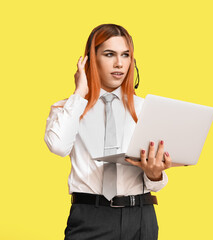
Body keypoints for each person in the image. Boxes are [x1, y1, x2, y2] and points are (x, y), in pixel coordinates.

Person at [44, 23, 172, 240]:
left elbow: (156, 181)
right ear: (91, 59)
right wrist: (79, 93)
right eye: (109, 54)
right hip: (90, 216)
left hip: (141, 216)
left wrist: (154, 174)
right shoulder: (70, 108)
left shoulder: (147, 109)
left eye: (125, 55)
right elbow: (58, 147)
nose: (119, 63)